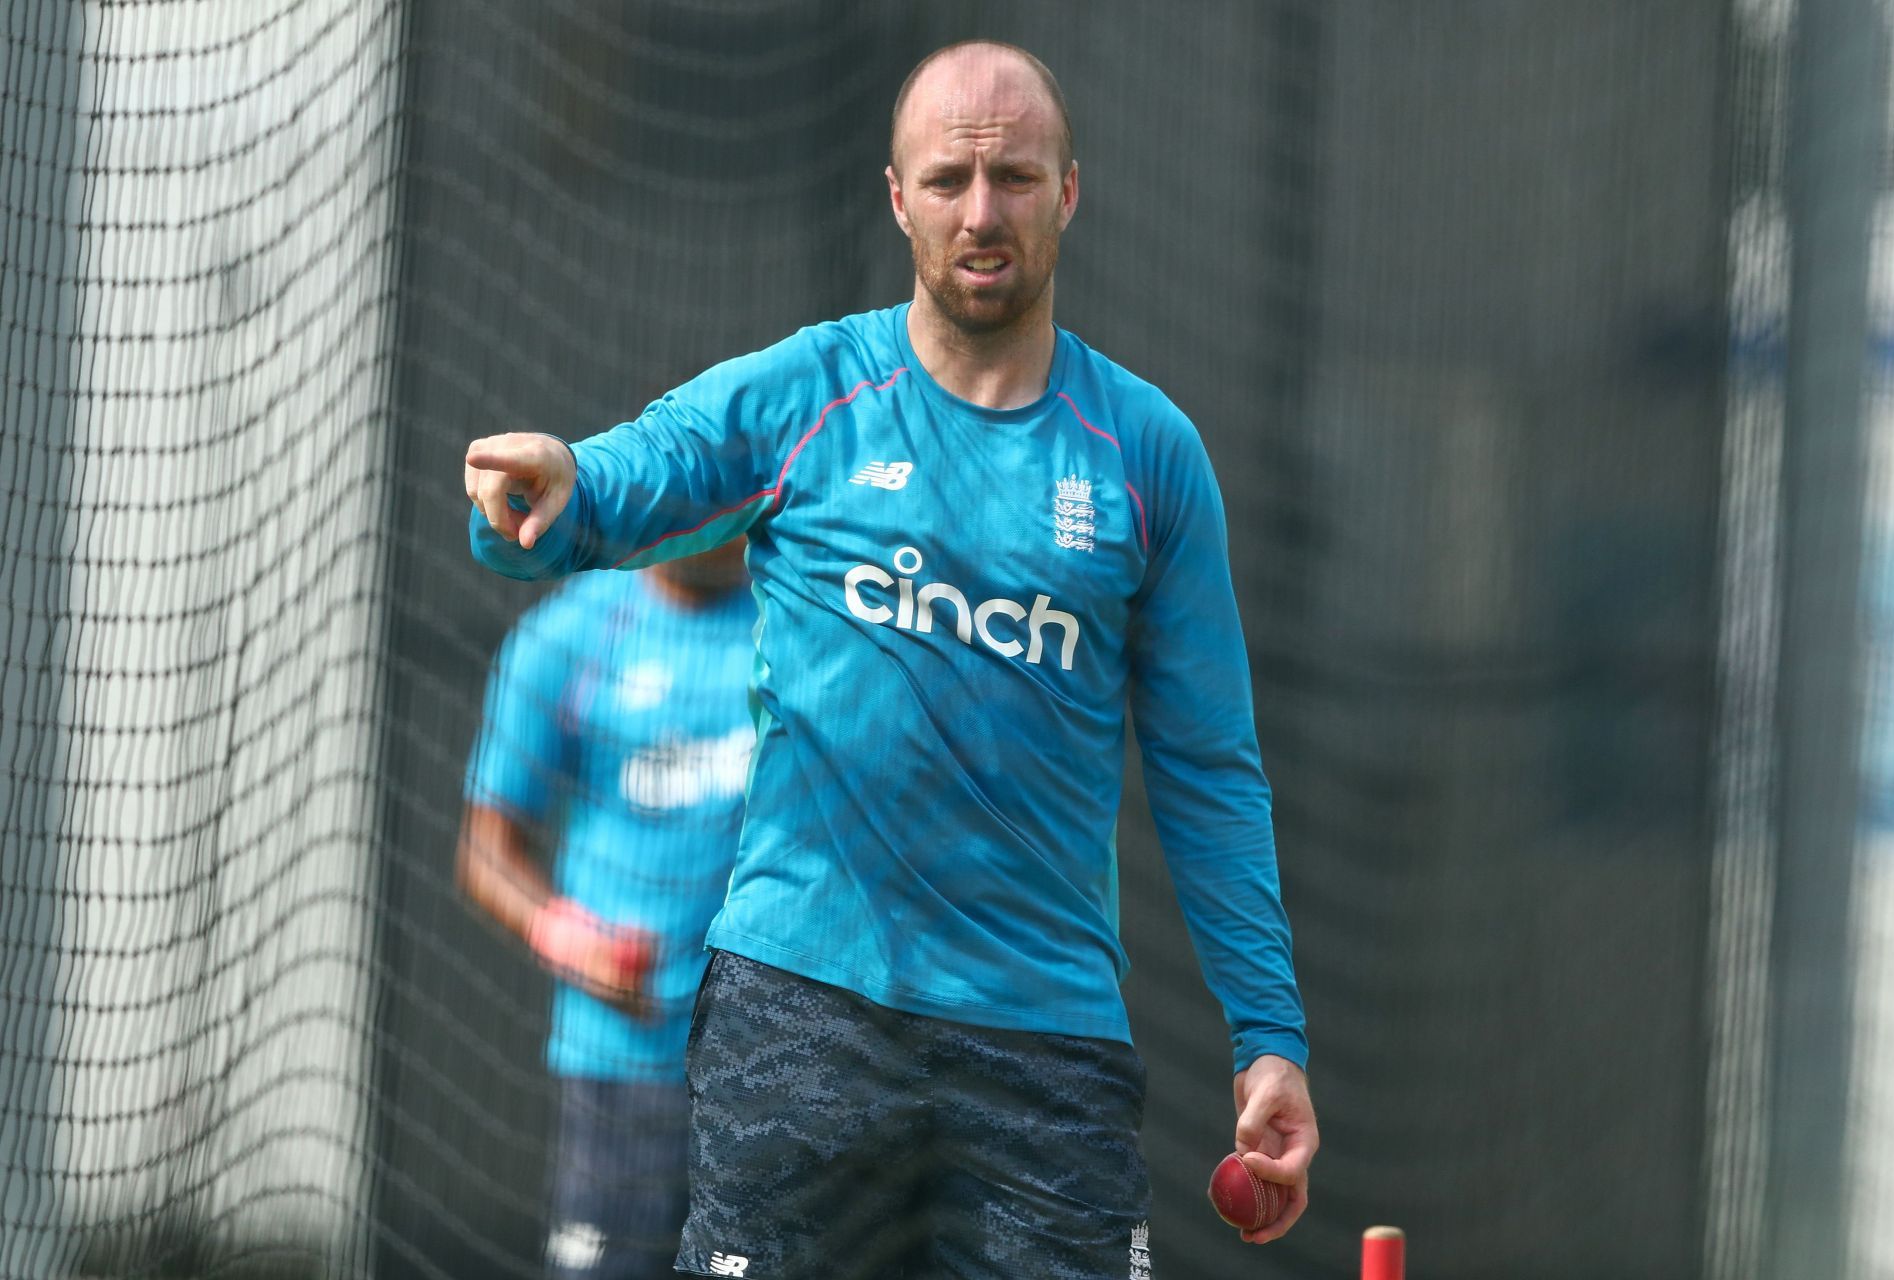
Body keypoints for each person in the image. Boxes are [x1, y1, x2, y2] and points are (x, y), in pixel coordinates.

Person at [464, 39, 1316, 1279]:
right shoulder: (812, 388)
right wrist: (551, 486)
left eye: (1016, 178)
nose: (983, 211)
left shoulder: (1147, 452)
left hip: (1045, 1047)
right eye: (950, 179)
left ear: (1069, 193)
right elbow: (633, 472)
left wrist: (1268, 1036)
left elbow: (1210, 771)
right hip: (803, 1017)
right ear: (898, 196)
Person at [459, 540, 756, 1280]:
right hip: (621, 1073)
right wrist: (574, 941)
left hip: (767, 1074)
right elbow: (486, 850)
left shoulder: (792, 629)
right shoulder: (572, 635)